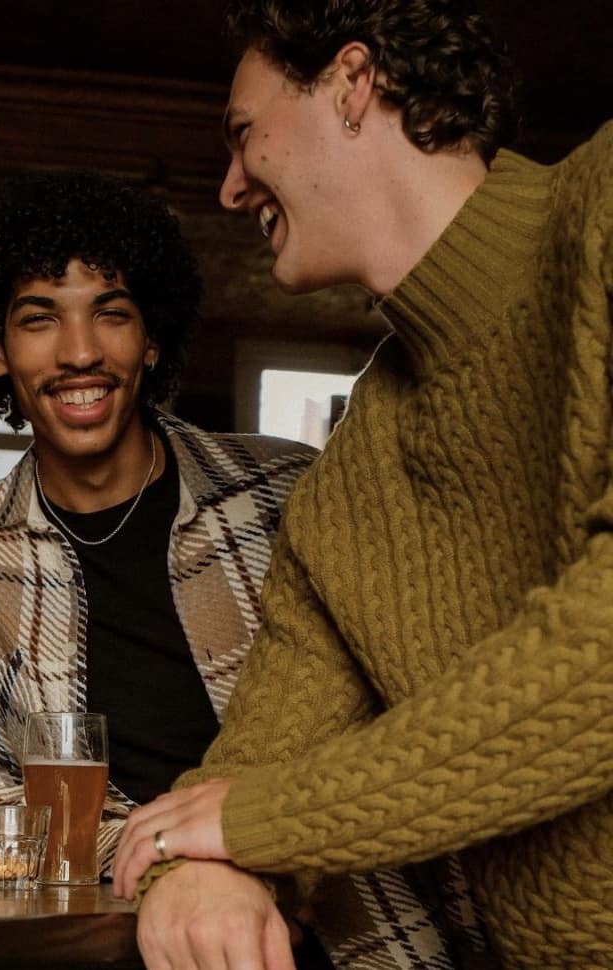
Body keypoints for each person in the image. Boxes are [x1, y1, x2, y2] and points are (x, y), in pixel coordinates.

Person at [112, 2, 613, 969]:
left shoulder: (603, 205)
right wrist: (201, 869)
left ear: (352, 84)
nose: (226, 188)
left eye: (242, 134)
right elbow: (255, 761)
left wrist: (260, 826)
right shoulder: (352, 482)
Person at [0, 170, 317, 878]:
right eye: (39, 318)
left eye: (112, 313)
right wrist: (178, 867)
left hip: (329, 913)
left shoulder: (288, 493)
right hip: (111, 927)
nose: (79, 353)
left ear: (151, 339)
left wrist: (233, 851)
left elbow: (361, 736)